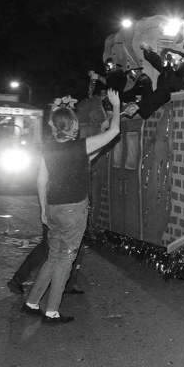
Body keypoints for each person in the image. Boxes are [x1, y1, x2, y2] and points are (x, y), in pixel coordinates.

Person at [19, 90, 122, 324]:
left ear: (54, 126)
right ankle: (52, 311)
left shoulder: (49, 149)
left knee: (53, 257)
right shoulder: (80, 146)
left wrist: (43, 209)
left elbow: (41, 181)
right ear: (73, 125)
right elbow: (115, 132)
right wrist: (116, 106)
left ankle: (32, 303)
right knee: (66, 259)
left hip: (53, 207)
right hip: (73, 210)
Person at [7, 225, 84, 295]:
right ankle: (19, 282)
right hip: (64, 218)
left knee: (74, 246)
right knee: (47, 248)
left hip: (61, 217)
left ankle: (68, 283)